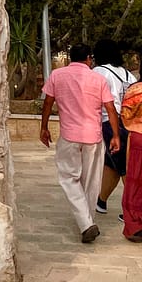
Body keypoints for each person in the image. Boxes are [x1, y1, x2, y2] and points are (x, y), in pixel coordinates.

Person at [40, 43, 121, 243]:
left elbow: (48, 102)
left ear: (70, 58)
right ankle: (88, 221)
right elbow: (110, 108)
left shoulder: (57, 76)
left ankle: (86, 224)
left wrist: (44, 127)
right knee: (92, 180)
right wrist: (116, 135)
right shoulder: (98, 78)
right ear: (88, 59)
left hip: (69, 135)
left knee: (69, 178)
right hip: (93, 136)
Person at [92, 38, 136, 216]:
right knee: (113, 165)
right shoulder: (128, 74)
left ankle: (132, 210)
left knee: (123, 167)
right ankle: (101, 201)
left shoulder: (99, 72)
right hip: (129, 123)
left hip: (110, 124)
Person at [120, 78, 142, 241]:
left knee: (135, 181)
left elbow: (125, 115)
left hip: (138, 137)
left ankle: (135, 224)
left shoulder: (135, 90)